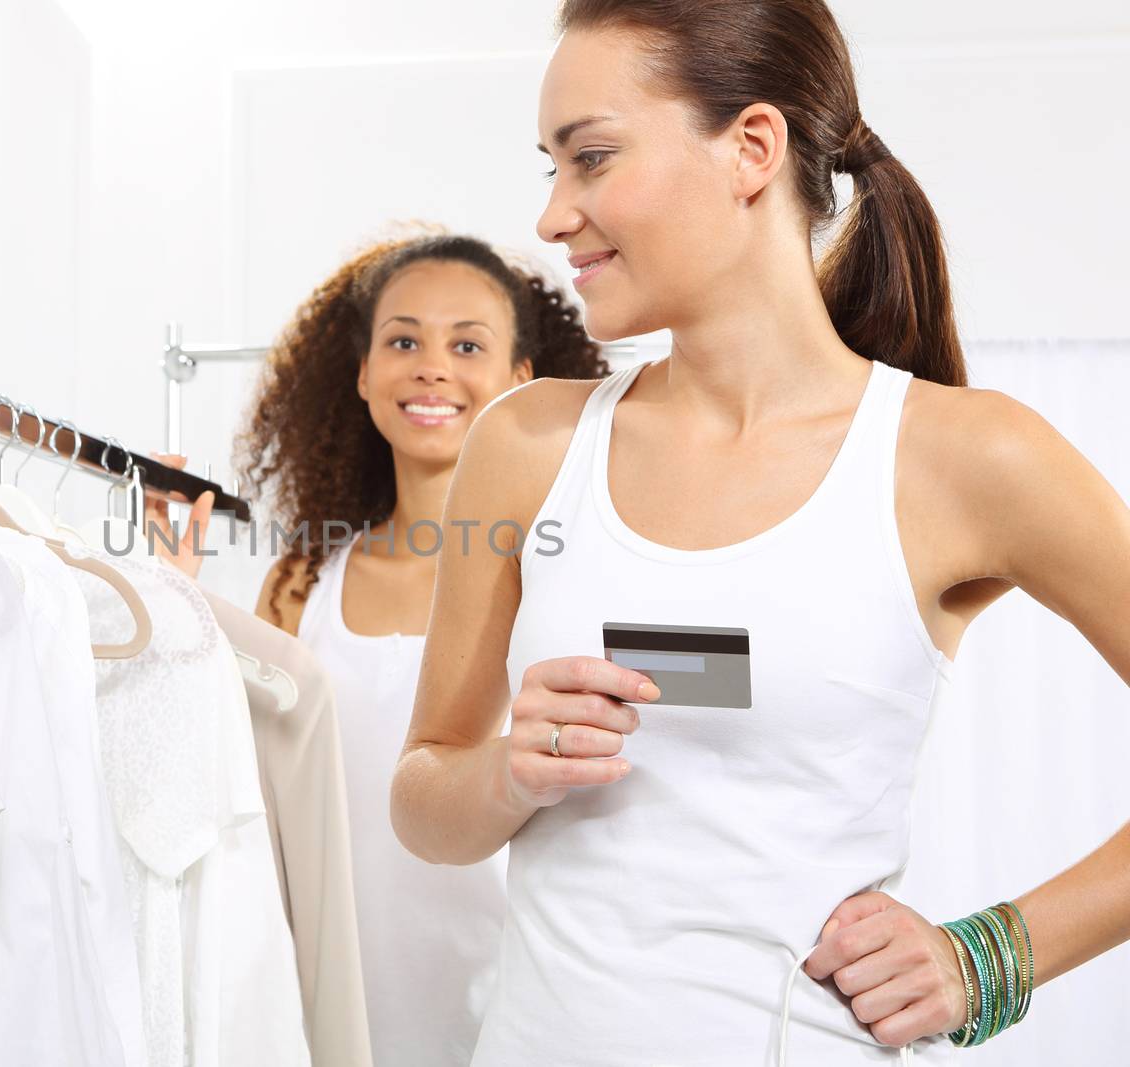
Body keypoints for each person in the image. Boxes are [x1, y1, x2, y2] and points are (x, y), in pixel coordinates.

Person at [389, 2, 1130, 1065]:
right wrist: (511, 769)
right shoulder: (525, 444)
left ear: (751, 148)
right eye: (549, 167)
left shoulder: (966, 459)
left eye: (590, 157)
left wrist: (990, 955)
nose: (553, 216)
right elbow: (424, 799)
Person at [157, 230, 608, 1065]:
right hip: (335, 1005)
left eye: (466, 344)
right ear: (363, 373)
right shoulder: (302, 583)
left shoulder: (565, 581)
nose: (431, 366)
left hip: (523, 1014)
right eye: (403, 340)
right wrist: (169, 596)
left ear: (521, 382)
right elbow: (239, 790)